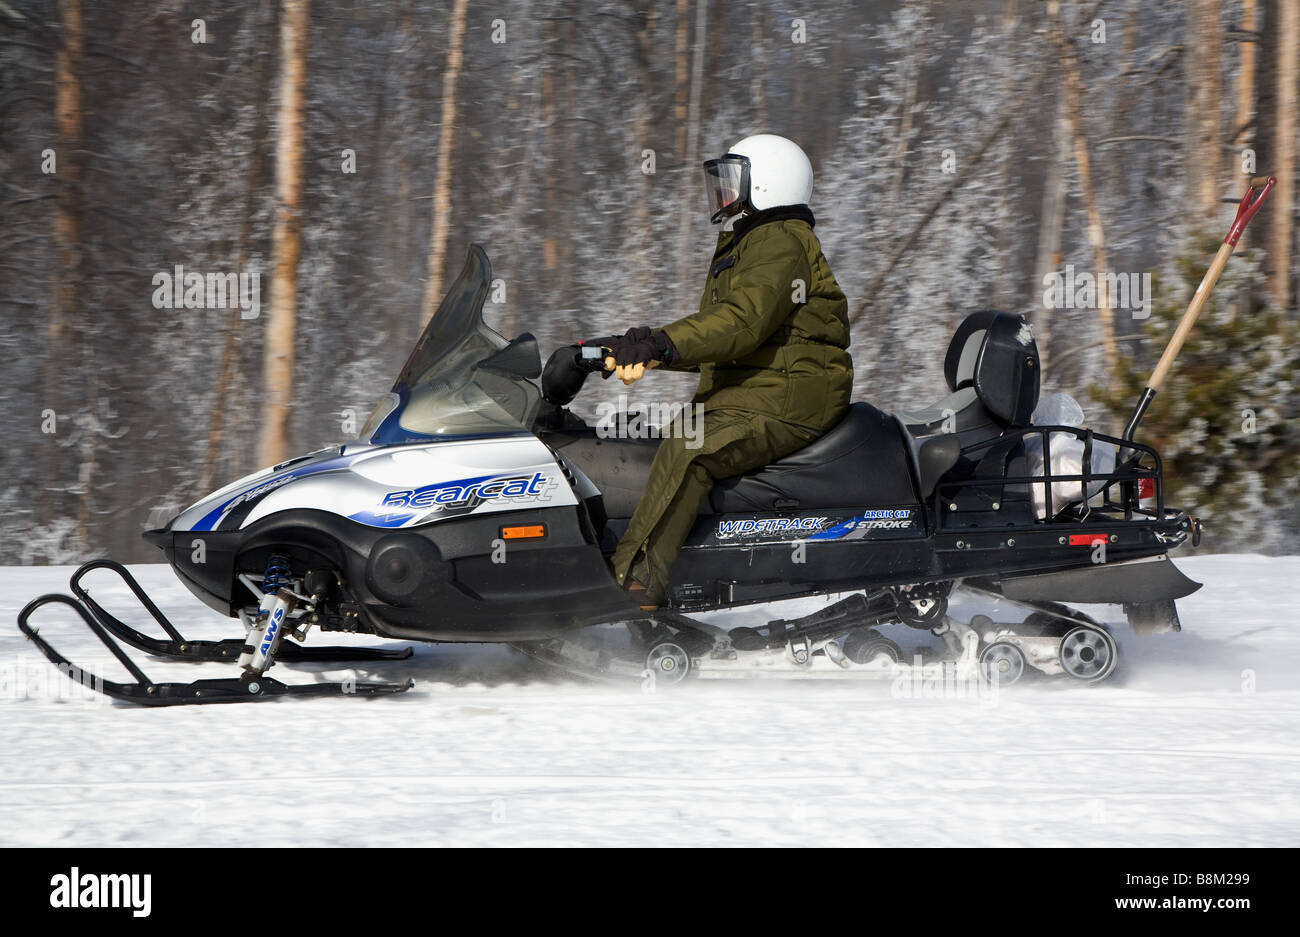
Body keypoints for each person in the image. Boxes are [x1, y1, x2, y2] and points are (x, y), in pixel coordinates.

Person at [603, 133, 852, 608]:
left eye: (733, 179)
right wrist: (641, 348)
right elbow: (725, 338)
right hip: (761, 390)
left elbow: (742, 322)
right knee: (649, 437)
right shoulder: (752, 241)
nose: (722, 193)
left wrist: (662, 343)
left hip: (790, 397)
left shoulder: (781, 240)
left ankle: (634, 587)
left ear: (767, 184)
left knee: (689, 447)